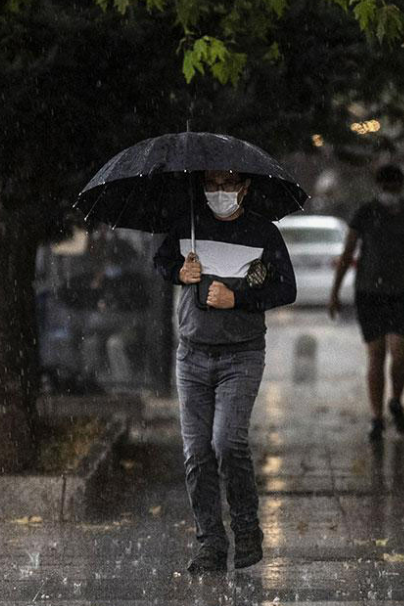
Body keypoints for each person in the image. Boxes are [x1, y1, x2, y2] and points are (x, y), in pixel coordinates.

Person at [153, 169, 297, 573]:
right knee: (196, 452)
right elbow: (160, 262)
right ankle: (210, 543)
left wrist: (239, 297)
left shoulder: (263, 234)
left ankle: (247, 526)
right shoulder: (188, 225)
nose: (219, 193)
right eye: (212, 185)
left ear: (245, 188)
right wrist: (179, 273)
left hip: (242, 356)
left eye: (228, 184)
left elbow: (286, 288)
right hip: (192, 355)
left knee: (226, 442)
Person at [328, 164, 404, 442]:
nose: (390, 190)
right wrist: (335, 291)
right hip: (369, 293)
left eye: (394, 185)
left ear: (401, 186)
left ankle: (396, 400)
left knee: (400, 354)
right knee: (376, 355)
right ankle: (376, 417)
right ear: (379, 186)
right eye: (386, 185)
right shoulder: (365, 213)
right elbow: (348, 251)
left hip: (402, 293)